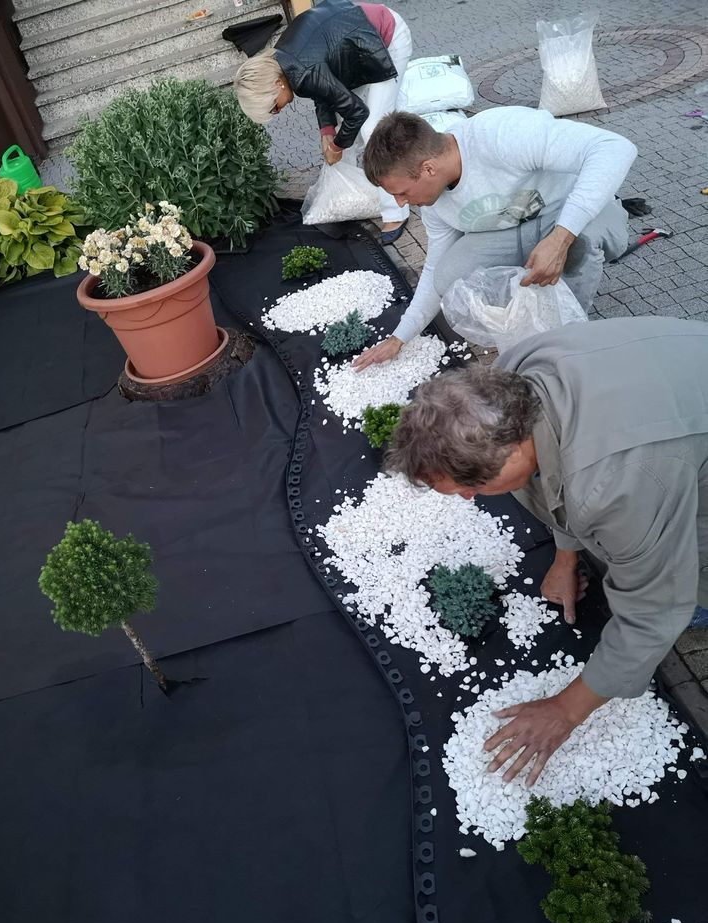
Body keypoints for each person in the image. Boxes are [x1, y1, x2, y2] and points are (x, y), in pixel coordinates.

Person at [385, 316, 708, 784]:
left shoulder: (619, 484)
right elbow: (551, 473)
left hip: (668, 433)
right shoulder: (512, 378)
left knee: (685, 579)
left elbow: (653, 610)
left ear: (513, 451)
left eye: (472, 487)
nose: (469, 498)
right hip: (677, 387)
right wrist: (565, 555)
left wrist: (565, 710)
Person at [354, 109, 637, 369]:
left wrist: (561, 238)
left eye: (402, 192)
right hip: (513, 226)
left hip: (570, 212)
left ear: (428, 168)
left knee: (579, 245)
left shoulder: (500, 135)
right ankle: (527, 321)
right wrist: (399, 337)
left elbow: (615, 148)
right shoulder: (434, 204)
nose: (401, 204)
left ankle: (572, 339)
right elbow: (433, 269)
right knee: (448, 276)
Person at [233, 0, 412, 243]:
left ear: (277, 85)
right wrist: (327, 131)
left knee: (374, 129)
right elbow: (323, 90)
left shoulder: (301, 71)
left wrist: (336, 146)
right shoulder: (283, 61)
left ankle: (396, 210)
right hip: (358, 47)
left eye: (274, 107)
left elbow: (357, 112)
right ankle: (352, 193)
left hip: (386, 38)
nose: (278, 112)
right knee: (345, 129)